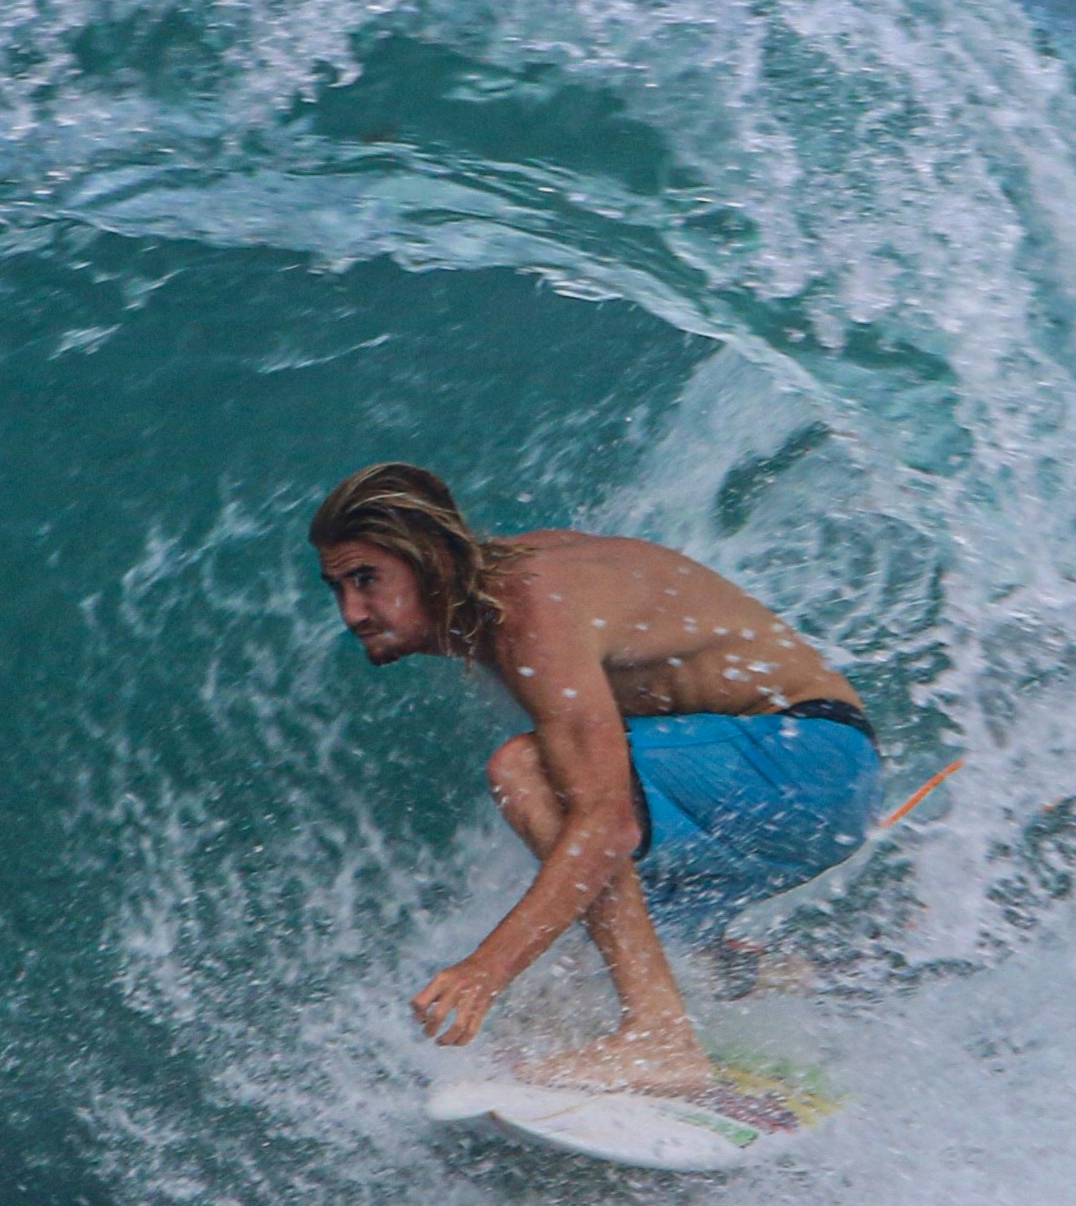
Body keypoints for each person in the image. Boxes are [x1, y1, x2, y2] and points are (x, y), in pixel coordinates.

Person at [310, 461, 883, 1095]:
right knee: (586, 967)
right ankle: (787, 973)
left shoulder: (528, 605)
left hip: (810, 766)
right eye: (337, 587)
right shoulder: (500, 587)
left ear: (432, 561)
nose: (351, 612)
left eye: (367, 580)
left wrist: (483, 972)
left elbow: (608, 823)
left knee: (525, 770)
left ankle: (661, 1038)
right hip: (791, 793)